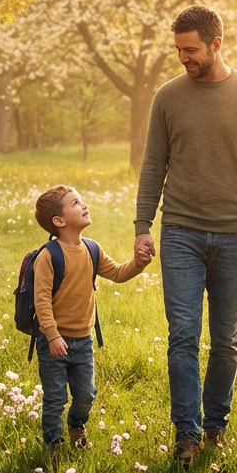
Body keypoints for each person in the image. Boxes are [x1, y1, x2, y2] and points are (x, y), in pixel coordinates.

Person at [134, 5, 237, 466]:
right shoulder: (167, 97)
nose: (183, 57)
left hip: (233, 233)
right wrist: (143, 226)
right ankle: (187, 434)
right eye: (178, 49)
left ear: (216, 43)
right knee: (183, 335)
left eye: (191, 49)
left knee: (226, 339)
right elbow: (152, 166)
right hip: (180, 228)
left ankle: (215, 425)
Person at [32, 185, 151, 453]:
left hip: (83, 341)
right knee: (54, 398)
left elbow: (119, 273)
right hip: (54, 343)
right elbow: (41, 301)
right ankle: (54, 444)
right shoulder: (48, 256)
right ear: (59, 221)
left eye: (82, 201)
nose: (84, 205)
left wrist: (139, 263)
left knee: (86, 395)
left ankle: (76, 424)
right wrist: (51, 335)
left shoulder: (92, 249)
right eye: (75, 203)